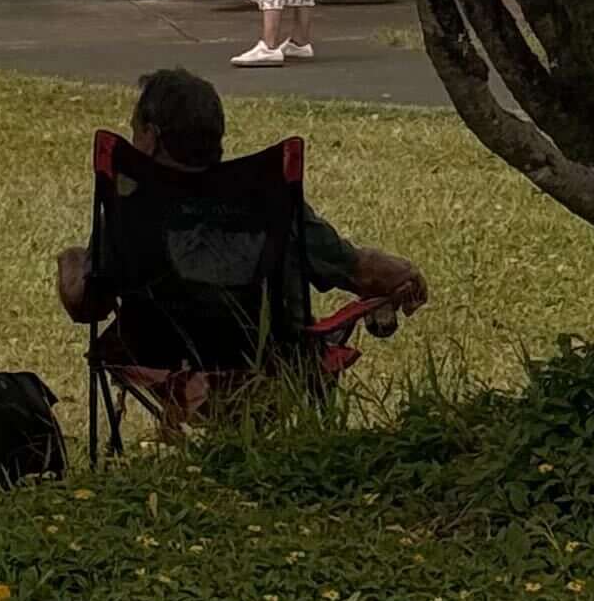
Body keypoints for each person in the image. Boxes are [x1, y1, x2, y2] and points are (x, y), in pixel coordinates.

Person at [51, 63, 427, 411]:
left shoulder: (130, 209)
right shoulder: (267, 198)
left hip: (161, 364)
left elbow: (85, 305)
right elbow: (361, 271)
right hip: (270, 364)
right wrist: (405, 274)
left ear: (150, 137)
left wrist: (71, 260)